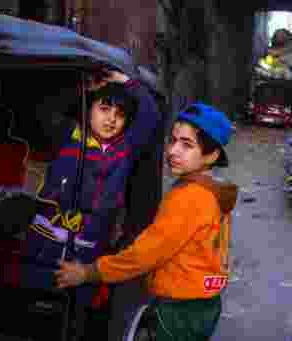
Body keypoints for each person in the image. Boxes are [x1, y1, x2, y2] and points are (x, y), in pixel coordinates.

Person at [55, 103, 238, 341]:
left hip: (177, 310)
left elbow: (145, 255)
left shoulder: (190, 197)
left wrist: (88, 272)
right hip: (203, 305)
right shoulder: (212, 189)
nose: (173, 151)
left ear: (212, 155)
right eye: (172, 141)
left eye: (187, 145)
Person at [25, 69, 161, 340]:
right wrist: (86, 88)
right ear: (89, 109)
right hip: (46, 245)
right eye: (104, 108)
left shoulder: (125, 149)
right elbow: (42, 108)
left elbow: (150, 115)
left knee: (80, 321)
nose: (111, 118)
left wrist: (125, 82)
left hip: (92, 249)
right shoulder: (66, 135)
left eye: (120, 114)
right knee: (38, 318)